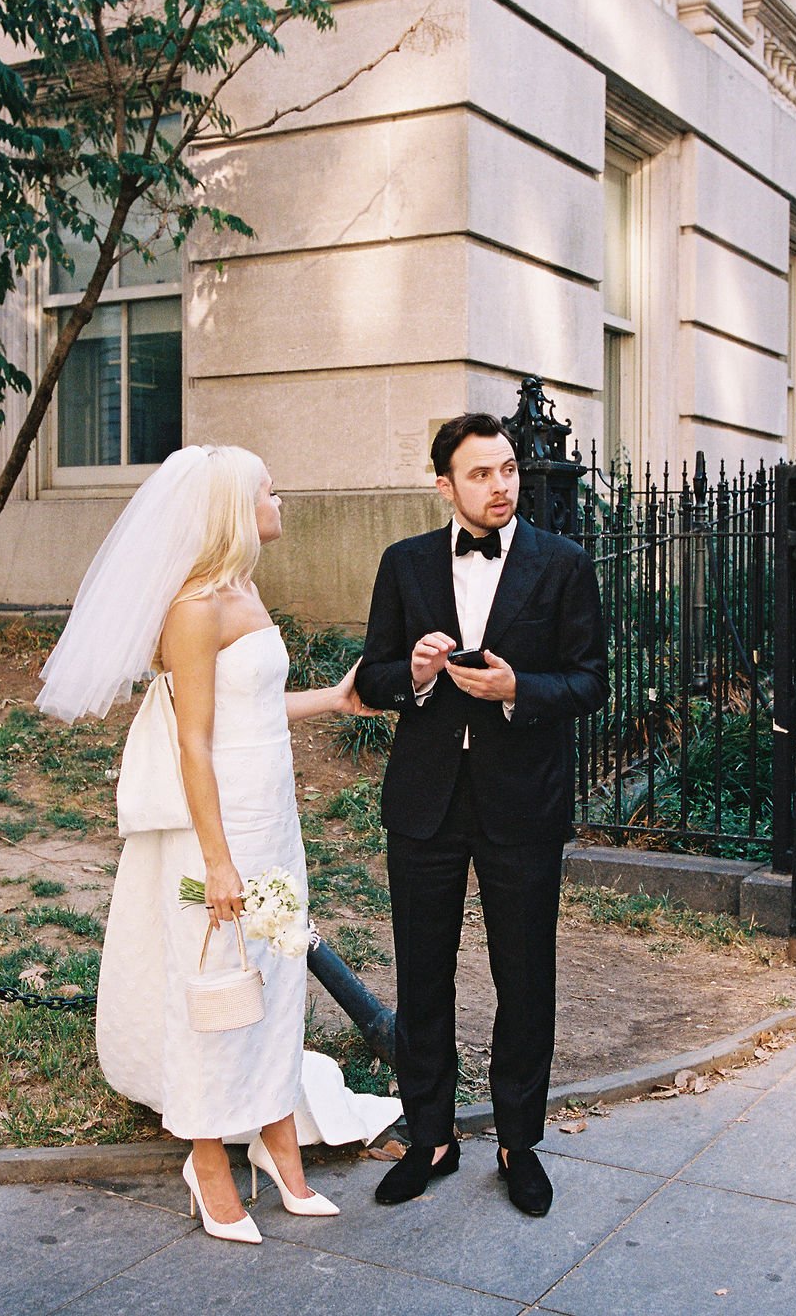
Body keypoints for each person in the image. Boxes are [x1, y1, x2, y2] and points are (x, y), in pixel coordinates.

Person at [36, 444, 398, 1245]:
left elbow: (256, 711)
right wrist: (221, 860)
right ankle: (206, 1159)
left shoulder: (245, 589)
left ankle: (274, 1137)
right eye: (270, 491)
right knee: (214, 987)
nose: (282, 501)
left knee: (271, 973)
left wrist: (337, 700)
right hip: (219, 827)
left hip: (272, 815)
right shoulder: (194, 609)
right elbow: (194, 744)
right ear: (237, 509)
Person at [355, 413, 607, 1216]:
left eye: (508, 470)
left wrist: (517, 692)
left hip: (522, 803)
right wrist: (418, 675)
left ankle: (517, 1142)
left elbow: (591, 681)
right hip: (424, 804)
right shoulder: (404, 565)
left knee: (524, 977)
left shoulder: (562, 564)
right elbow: (374, 677)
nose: (501, 486)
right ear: (444, 485)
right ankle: (429, 1134)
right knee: (422, 976)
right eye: (481, 474)